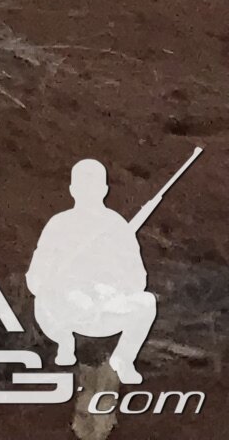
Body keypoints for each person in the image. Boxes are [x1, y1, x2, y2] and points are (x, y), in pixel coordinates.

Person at [27, 158, 158, 384]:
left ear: (104, 190)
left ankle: (123, 359)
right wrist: (59, 287)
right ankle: (64, 341)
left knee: (146, 303)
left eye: (94, 186)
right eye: (82, 186)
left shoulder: (117, 226)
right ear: (72, 190)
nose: (88, 192)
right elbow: (36, 276)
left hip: (105, 307)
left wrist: (114, 289)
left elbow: (137, 276)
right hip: (65, 307)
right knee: (64, 303)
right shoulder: (58, 224)